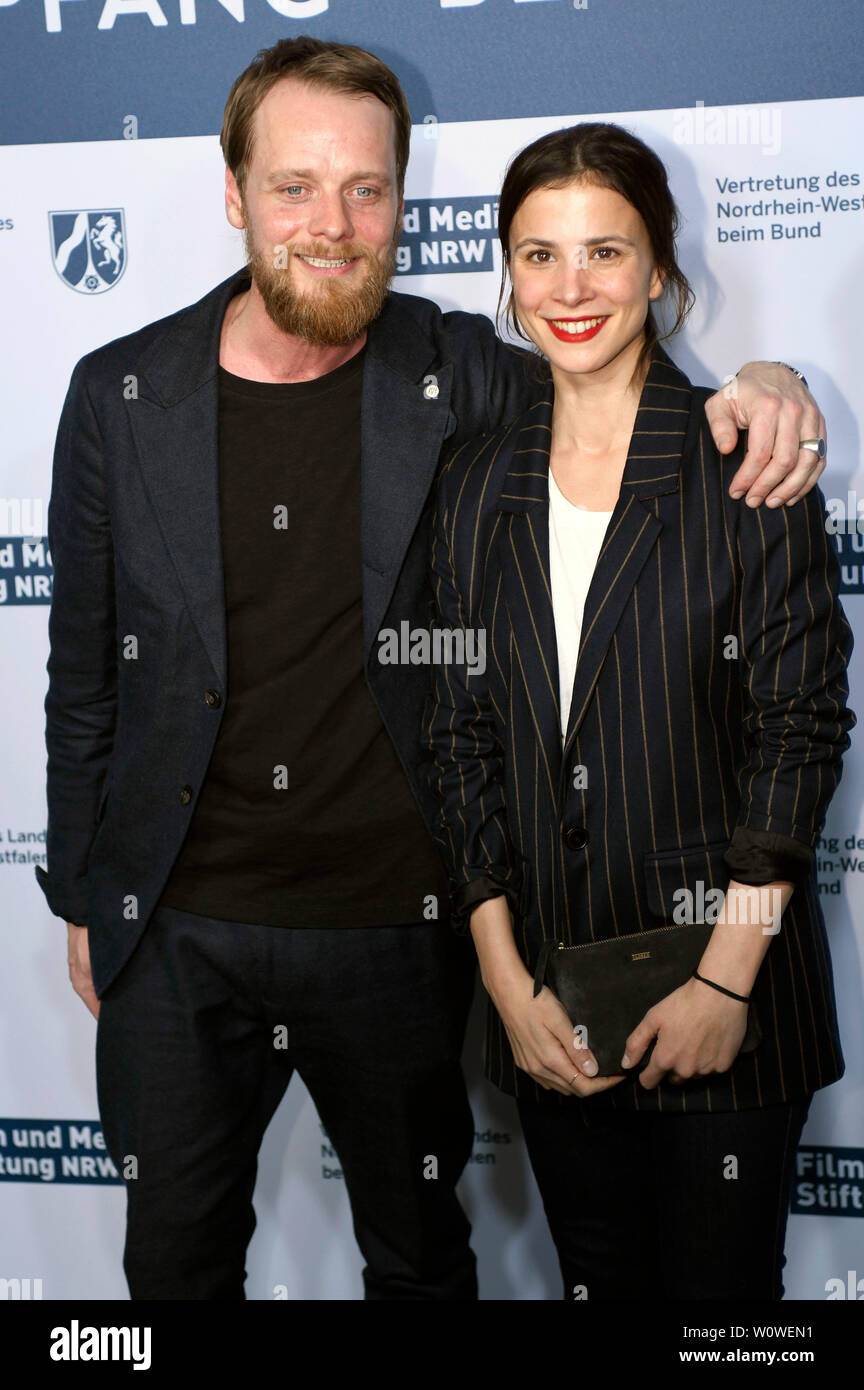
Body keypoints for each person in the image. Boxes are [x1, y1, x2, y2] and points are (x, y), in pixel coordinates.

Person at [37, 33, 829, 1301]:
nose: (334, 225)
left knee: (420, 1260)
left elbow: (614, 374)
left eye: (368, 189)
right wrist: (84, 891)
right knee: (169, 1269)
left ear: (405, 199)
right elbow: (83, 670)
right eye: (295, 186)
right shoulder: (121, 392)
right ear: (233, 194)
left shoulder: (458, 370)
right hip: (176, 932)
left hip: (395, 933)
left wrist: (764, 385)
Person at [426, 121, 853, 1301]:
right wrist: (508, 989)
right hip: (555, 1013)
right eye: (539, 254)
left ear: (661, 268)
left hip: (728, 1002)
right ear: (507, 273)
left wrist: (723, 984)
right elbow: (460, 741)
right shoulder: (473, 484)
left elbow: (798, 738)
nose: (571, 288)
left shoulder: (746, 463)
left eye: (605, 252)